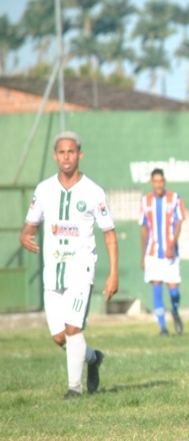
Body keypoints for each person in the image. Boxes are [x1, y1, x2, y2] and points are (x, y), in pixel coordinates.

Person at [19, 131, 118, 398]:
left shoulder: (93, 192)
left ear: (79, 155)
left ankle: (74, 389)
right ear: (55, 156)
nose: (66, 156)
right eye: (61, 152)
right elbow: (28, 228)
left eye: (71, 152)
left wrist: (113, 274)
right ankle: (93, 358)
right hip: (53, 272)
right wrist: (25, 237)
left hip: (80, 270)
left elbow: (109, 232)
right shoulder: (44, 190)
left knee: (74, 329)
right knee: (60, 337)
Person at [140, 168, 186, 336]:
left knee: (174, 290)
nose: (158, 184)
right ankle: (163, 328)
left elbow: (179, 223)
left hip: (170, 253)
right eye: (155, 181)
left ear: (164, 181)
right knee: (156, 287)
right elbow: (144, 229)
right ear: (152, 183)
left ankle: (175, 312)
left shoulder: (174, 199)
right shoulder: (145, 201)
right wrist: (143, 255)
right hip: (152, 253)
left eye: (161, 181)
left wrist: (171, 245)